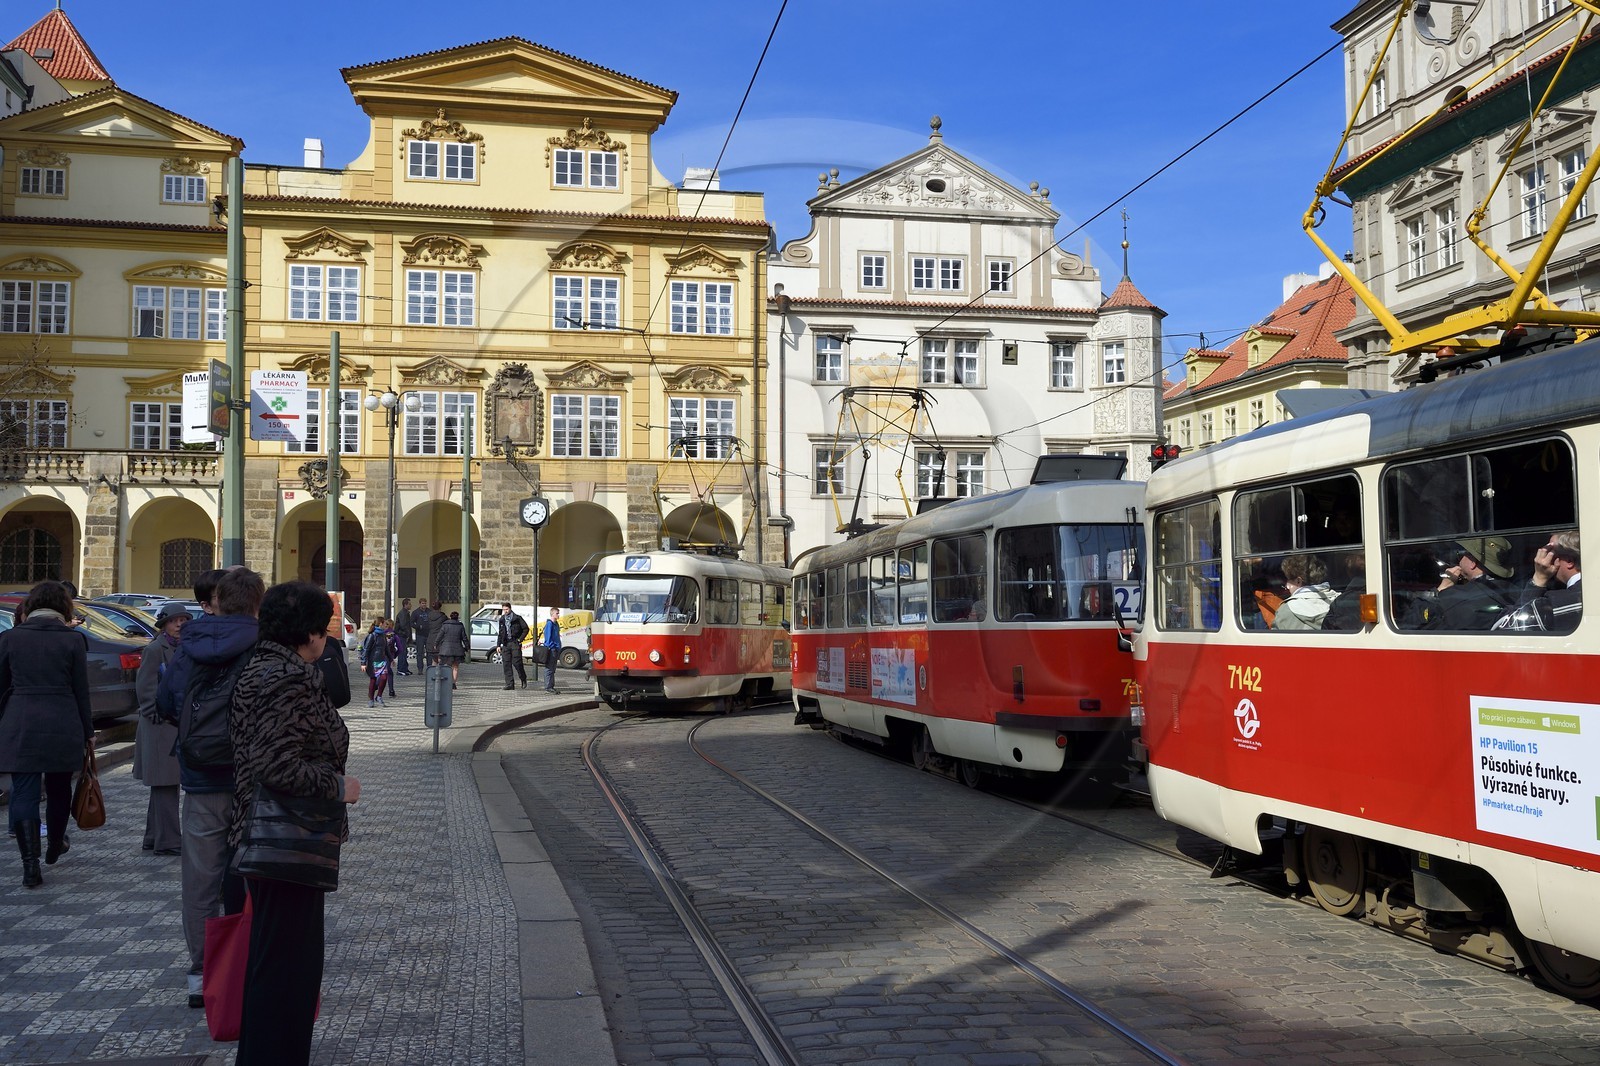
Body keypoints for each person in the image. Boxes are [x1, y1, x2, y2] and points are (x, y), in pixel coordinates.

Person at [228, 579, 358, 1066]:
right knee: (288, 973)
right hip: (285, 841)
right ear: (306, 632)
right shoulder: (288, 677)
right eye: (322, 628)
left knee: (277, 967)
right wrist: (338, 787)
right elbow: (275, 764)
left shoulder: (261, 667)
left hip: (268, 837)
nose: (325, 638)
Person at [156, 566, 262, 1009]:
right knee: (256, 869)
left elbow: (165, 702)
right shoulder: (265, 642)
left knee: (200, 880)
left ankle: (201, 973)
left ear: (215, 600)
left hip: (201, 778)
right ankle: (250, 962)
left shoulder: (188, 643)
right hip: (253, 780)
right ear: (257, 603)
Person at [0, 581, 92, 888]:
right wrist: (88, 731)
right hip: (63, 719)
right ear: (63, 607)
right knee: (59, 787)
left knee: (24, 790)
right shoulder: (74, 640)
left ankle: (30, 864)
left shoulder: (10, 638)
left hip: (20, 719)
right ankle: (54, 844)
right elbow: (82, 691)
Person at [133, 602, 189, 856]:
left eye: (183, 621)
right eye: (174, 621)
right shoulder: (155, 649)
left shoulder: (184, 648)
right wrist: (153, 712)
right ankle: (168, 841)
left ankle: (154, 837)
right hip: (158, 725)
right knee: (165, 783)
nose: (179, 625)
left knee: (164, 783)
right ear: (164, 624)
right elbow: (145, 686)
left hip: (173, 724)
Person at [1414, 536, 1515, 630]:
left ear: (1473, 563)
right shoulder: (1516, 594)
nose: (1459, 558)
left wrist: (1440, 590)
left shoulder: (1453, 597)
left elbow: (1414, 623)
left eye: (1462, 554)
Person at [1497, 530, 1582, 633]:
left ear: (1569, 561)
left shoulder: (1552, 604)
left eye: (1550, 552)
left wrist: (1539, 578)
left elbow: (1508, 630)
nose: (1543, 558)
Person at [1272, 555, 1338, 631]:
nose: (1286, 586)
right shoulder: (1339, 601)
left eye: (1288, 580)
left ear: (1298, 581)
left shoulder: (1286, 610)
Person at [359, 619, 395, 707]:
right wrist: (363, 663)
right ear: (380, 624)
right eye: (384, 624)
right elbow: (366, 649)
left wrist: (391, 659)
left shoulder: (383, 635)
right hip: (373, 661)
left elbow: (386, 648)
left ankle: (379, 696)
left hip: (382, 660)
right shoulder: (372, 635)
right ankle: (371, 700)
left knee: (384, 678)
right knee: (373, 680)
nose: (385, 626)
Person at [430, 609, 468, 690]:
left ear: (450, 617)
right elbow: (464, 638)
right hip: (457, 650)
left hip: (446, 650)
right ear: (457, 618)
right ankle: (453, 683)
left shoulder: (445, 625)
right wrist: (467, 647)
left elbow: (440, 636)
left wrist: (435, 644)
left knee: (447, 666)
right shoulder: (460, 626)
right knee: (455, 667)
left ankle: (446, 682)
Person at [498, 602, 529, 690]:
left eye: (506, 609)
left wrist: (520, 639)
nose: (505, 611)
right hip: (506, 643)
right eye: (504, 609)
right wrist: (498, 645)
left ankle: (523, 678)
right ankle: (509, 684)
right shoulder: (502, 619)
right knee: (506, 664)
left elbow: (525, 629)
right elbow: (500, 633)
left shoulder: (517, 618)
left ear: (510, 609)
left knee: (517, 663)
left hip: (515, 643)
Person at [410, 600, 435, 678]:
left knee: (429, 652)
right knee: (420, 653)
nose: (424, 605)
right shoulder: (415, 612)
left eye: (425, 603)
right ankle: (420, 669)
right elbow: (411, 623)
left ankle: (429, 667)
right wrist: (418, 626)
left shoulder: (429, 611)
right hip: (420, 635)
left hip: (428, 635)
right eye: (422, 603)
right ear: (420, 604)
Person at [541, 607, 562, 692]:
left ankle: (551, 685)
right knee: (549, 668)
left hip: (556, 648)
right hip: (552, 649)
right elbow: (548, 638)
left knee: (553, 668)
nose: (558, 615)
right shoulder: (549, 624)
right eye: (557, 613)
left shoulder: (556, 624)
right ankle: (548, 686)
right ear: (552, 614)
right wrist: (552, 646)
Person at [392, 598, 412, 676]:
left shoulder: (406, 613)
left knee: (404, 652)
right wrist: (407, 633)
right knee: (402, 652)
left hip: (403, 635)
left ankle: (404, 668)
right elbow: (403, 625)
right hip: (401, 635)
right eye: (409, 604)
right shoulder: (403, 614)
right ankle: (400, 669)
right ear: (405, 605)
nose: (411, 605)